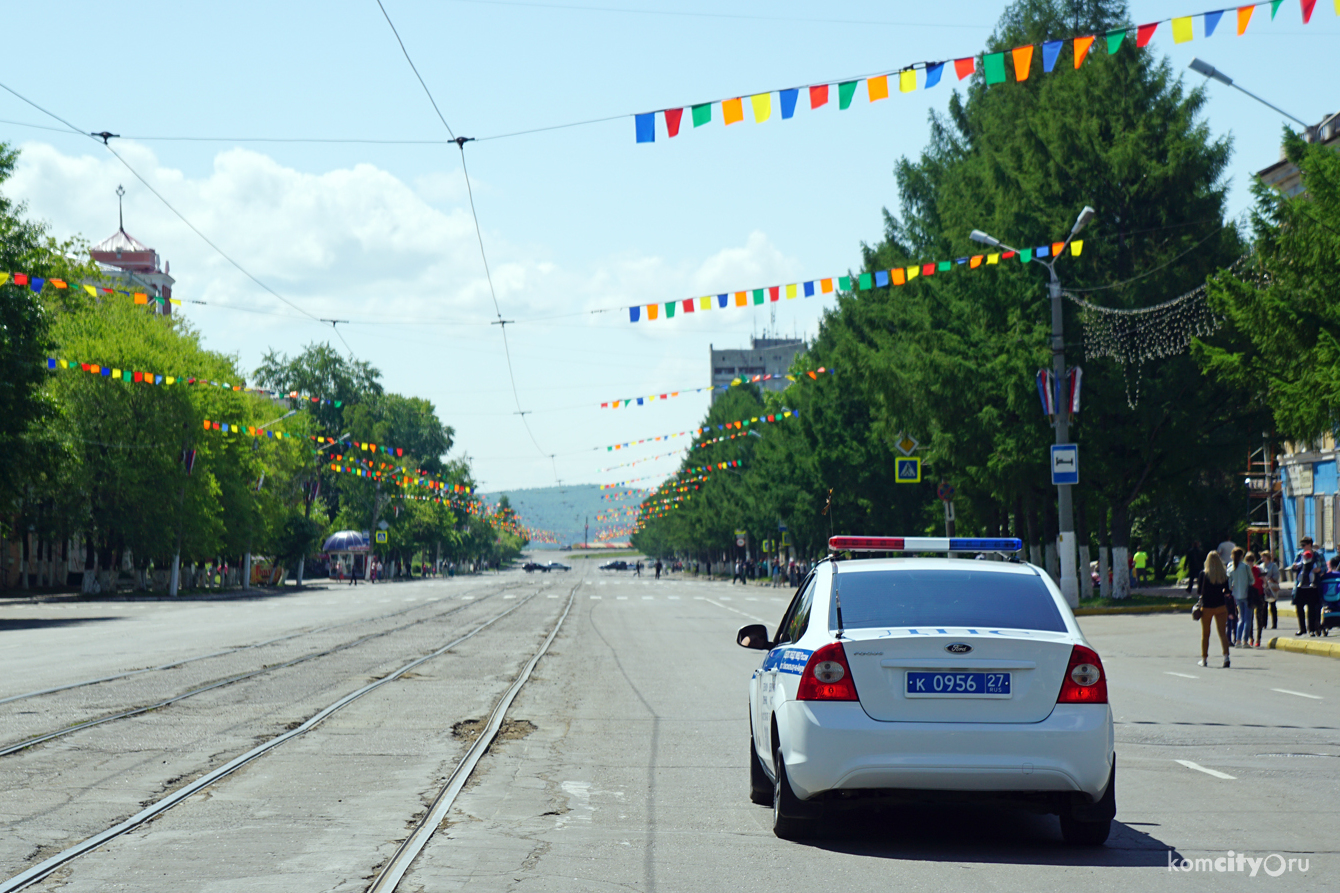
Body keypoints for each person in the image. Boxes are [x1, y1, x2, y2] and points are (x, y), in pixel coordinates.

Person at [1197, 551, 1232, 668]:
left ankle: (1204, 659)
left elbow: (1199, 592)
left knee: (1205, 634)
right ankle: (1226, 657)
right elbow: (1227, 592)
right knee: (1223, 633)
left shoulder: (1203, 574)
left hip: (1207, 607)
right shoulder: (1223, 575)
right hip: (1221, 606)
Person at [1290, 537, 1326, 636]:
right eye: (1301, 546)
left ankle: (1312, 629)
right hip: (1300, 586)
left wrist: (1320, 570)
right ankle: (1302, 628)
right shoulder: (1299, 555)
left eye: (1303, 545)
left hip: (1312, 586)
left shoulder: (1318, 555)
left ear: (1309, 545)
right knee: (1299, 607)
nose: (1302, 547)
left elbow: (1324, 568)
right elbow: (1293, 568)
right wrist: (1294, 567)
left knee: (1312, 608)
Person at [1229, 548, 1254, 649]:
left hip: (1237, 595)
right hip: (1247, 595)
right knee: (1248, 619)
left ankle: (1238, 640)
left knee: (1241, 618)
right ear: (1241, 556)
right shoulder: (1245, 567)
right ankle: (1245, 640)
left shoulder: (1231, 568)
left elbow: (1229, 584)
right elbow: (1252, 580)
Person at [1260, 549, 1281, 630]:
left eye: (1263, 557)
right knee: (1264, 606)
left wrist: (1271, 578)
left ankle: (1274, 623)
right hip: (1264, 587)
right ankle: (1263, 624)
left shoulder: (1273, 566)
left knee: (1272, 605)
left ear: (1267, 557)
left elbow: (1277, 575)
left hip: (1272, 587)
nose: (1262, 558)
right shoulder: (1261, 566)